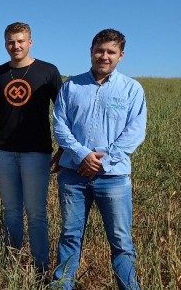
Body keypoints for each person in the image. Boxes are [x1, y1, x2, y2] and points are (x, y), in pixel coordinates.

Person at [51, 29, 146, 290]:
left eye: (110, 52)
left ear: (121, 55)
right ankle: (62, 285)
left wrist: (102, 161)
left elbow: (135, 132)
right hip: (73, 174)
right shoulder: (71, 85)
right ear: (91, 51)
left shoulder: (132, 89)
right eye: (99, 50)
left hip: (113, 177)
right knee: (70, 235)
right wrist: (82, 154)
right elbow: (60, 125)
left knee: (120, 241)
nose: (104, 56)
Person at [0, 22, 63, 270]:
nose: (15, 46)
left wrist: (63, 148)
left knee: (36, 212)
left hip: (36, 152)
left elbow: (62, 112)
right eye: (10, 41)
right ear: (5, 43)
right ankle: (12, 259)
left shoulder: (48, 71)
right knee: (11, 210)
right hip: (3, 151)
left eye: (20, 41)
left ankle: (41, 265)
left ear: (30, 42)